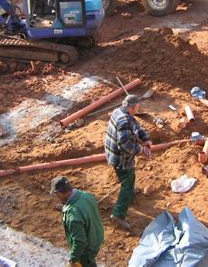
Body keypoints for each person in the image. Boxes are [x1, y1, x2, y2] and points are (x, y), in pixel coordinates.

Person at [104, 94, 153, 230]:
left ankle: (129, 195)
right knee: (127, 183)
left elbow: (136, 125)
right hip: (120, 159)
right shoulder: (124, 121)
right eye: (138, 106)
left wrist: (146, 138)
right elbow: (125, 146)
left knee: (127, 180)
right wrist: (141, 150)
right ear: (132, 107)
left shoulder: (119, 111)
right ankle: (118, 214)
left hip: (113, 154)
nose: (139, 108)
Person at [50, 176, 104, 267]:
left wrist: (73, 260)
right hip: (97, 236)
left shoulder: (72, 217)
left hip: (87, 250)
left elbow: (80, 242)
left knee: (88, 263)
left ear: (60, 193)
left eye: (56, 194)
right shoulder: (86, 195)